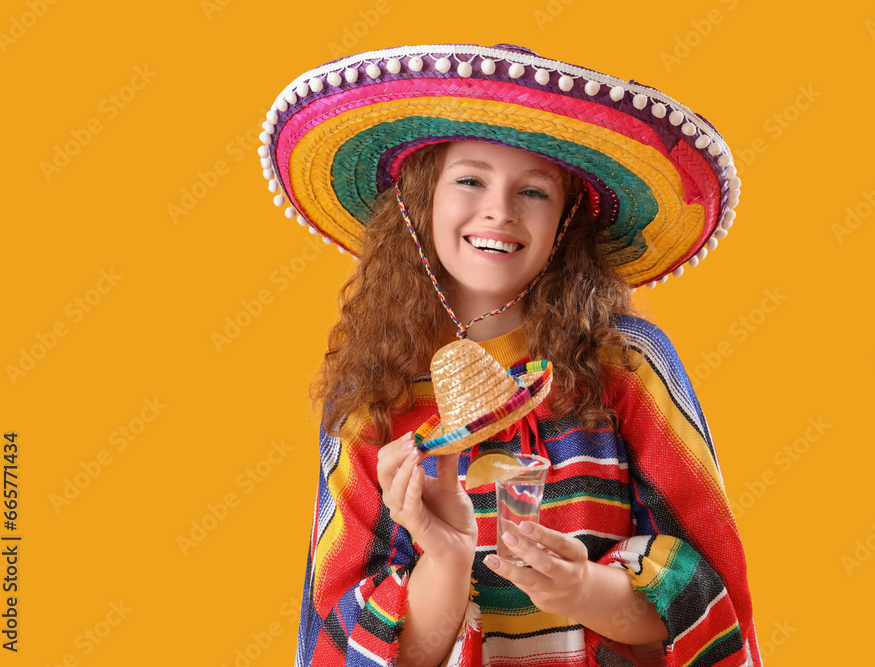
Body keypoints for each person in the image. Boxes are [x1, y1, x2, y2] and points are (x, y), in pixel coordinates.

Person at [258, 43, 759, 667]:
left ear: (568, 220)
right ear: (422, 199)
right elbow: (346, 648)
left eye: (535, 191)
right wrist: (445, 555)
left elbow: (709, 614)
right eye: (470, 179)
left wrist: (581, 590)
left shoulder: (626, 365)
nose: (499, 209)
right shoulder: (372, 402)